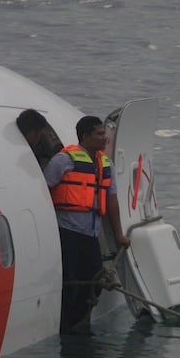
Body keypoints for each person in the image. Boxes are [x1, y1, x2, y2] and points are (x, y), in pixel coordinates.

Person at [44, 115, 131, 335]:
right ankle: (65, 326)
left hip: (91, 233)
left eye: (104, 134)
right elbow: (43, 190)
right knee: (71, 282)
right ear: (85, 137)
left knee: (94, 279)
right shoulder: (63, 161)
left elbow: (111, 201)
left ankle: (78, 322)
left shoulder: (105, 163)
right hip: (68, 232)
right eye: (100, 134)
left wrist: (119, 234)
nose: (104, 139)